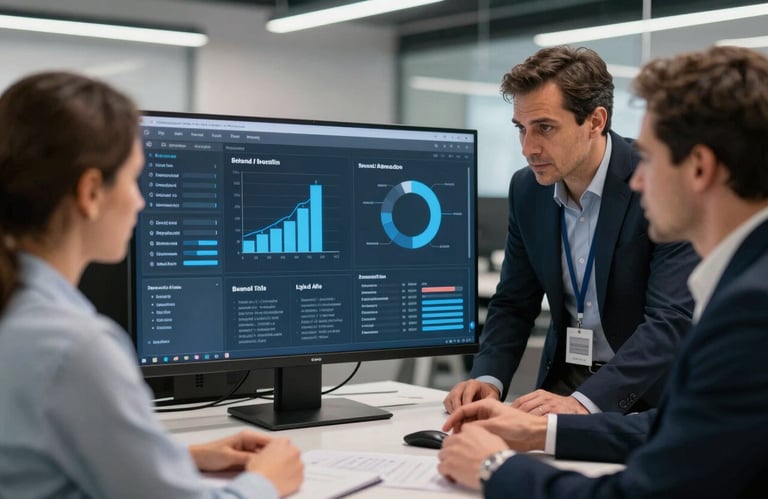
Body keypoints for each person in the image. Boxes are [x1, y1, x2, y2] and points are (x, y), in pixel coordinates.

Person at [438, 45, 768, 498]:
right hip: (573, 387)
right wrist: (528, 419)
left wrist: (496, 468)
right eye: (521, 129)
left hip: (639, 385)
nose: (637, 179)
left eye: (649, 159)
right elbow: (673, 434)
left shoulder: (750, 309)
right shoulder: (747, 283)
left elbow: (643, 488)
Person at [0, 72, 304, 498]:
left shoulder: (19, 314)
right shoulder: (74, 346)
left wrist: (178, 456)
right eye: (133, 179)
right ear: (90, 192)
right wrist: (266, 481)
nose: (141, 201)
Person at [445, 45, 698, 417]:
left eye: (545, 127)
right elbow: (514, 301)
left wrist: (584, 403)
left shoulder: (657, 181)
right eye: (521, 129)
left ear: (595, 121)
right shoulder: (528, 189)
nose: (528, 148)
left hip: (650, 392)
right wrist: (489, 378)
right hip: (562, 383)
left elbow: (670, 320)